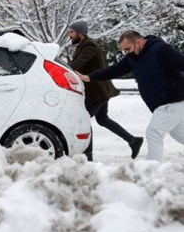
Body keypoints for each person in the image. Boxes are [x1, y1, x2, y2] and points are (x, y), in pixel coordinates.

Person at [77, 30, 184, 161]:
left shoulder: (161, 50)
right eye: (124, 50)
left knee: (154, 133)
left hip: (174, 100)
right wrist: (90, 77)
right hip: (162, 104)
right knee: (178, 134)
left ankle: (150, 170)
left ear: (138, 42)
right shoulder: (133, 57)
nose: (126, 52)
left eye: (127, 48)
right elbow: (115, 70)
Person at [67, 21, 143, 161]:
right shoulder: (84, 45)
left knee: (84, 121)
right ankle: (133, 141)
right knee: (103, 119)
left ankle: (87, 156)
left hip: (97, 91)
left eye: (71, 32)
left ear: (80, 33)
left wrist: (64, 66)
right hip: (99, 90)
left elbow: (77, 65)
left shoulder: (89, 46)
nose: (69, 35)